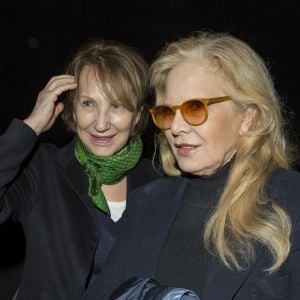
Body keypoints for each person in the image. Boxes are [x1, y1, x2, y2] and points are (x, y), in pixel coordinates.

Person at [85, 32, 300, 299]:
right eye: (166, 112)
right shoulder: (145, 203)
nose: (175, 127)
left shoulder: (292, 202)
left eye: (194, 108)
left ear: (247, 117)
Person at [0, 39, 162, 299]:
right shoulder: (43, 170)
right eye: (88, 104)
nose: (100, 124)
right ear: (72, 108)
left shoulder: (160, 183)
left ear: (139, 115)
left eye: (117, 106)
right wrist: (29, 127)